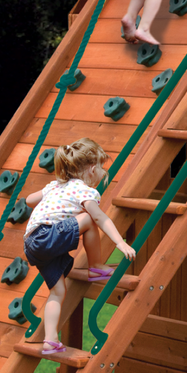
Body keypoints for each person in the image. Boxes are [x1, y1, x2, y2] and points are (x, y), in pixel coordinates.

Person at [22, 137, 137, 358]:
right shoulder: (85, 191)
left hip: (32, 244)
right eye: (102, 167)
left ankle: (50, 340)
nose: (103, 172)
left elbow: (28, 201)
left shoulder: (55, 185)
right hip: (47, 237)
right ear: (92, 168)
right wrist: (120, 242)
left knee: (58, 291)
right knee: (88, 219)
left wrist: (48, 196)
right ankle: (96, 265)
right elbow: (100, 218)